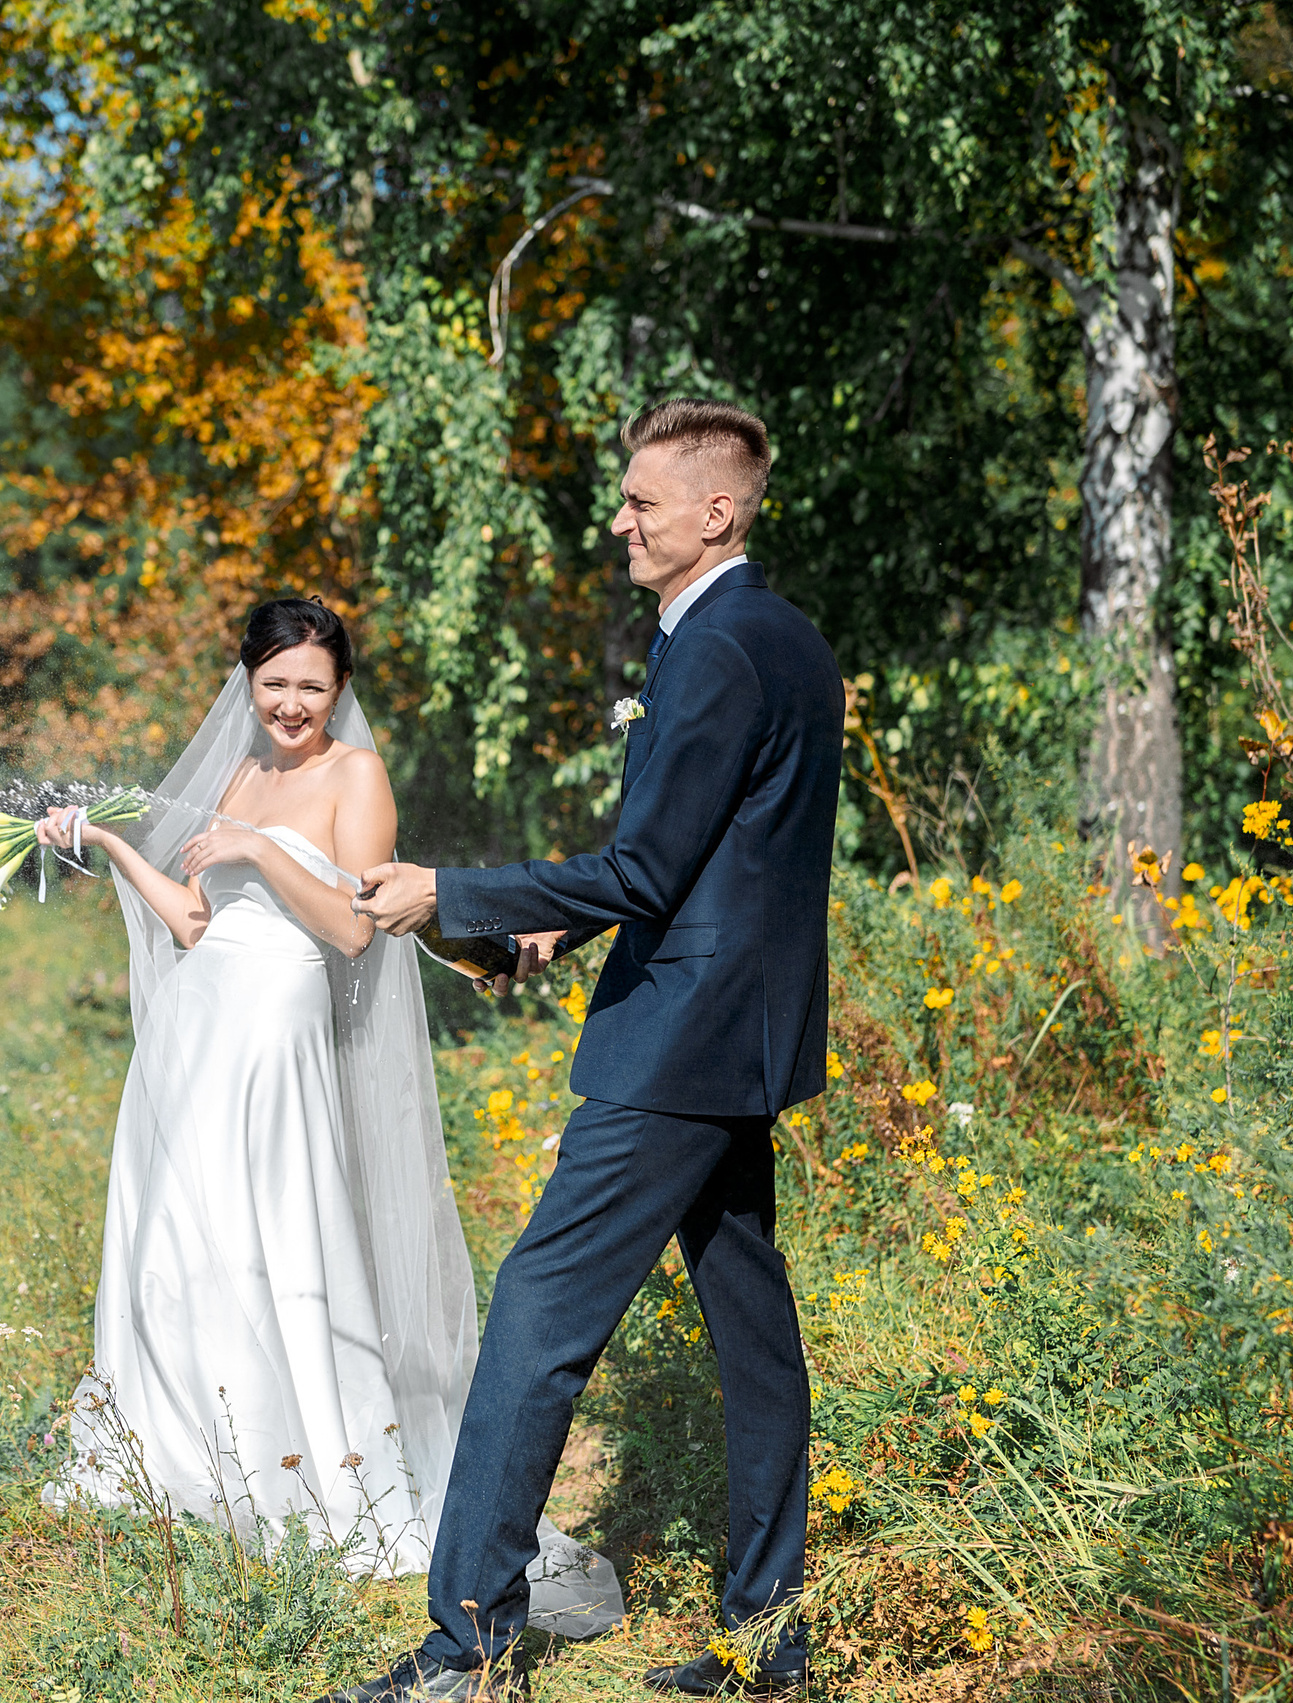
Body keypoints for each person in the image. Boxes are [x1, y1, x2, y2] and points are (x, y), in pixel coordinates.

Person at [342, 399, 843, 1699]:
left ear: (716, 510)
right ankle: (765, 1640)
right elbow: (722, 857)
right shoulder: (781, 637)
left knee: (534, 1322)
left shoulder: (717, 646)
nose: (619, 518)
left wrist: (452, 893)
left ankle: (468, 1649)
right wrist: (561, 925)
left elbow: (646, 861)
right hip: (746, 1030)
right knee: (755, 1339)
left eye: (642, 500)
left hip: (675, 1045)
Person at [35, 601, 623, 1630]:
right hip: (198, 1023)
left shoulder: (355, 776)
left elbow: (355, 928)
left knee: (275, 1234)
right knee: (180, 1236)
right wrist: (106, 846)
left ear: (338, 688)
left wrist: (263, 854)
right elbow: (187, 918)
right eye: (274, 682)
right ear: (246, 681)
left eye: (311, 684)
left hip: (277, 1024)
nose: (292, 702)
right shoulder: (237, 774)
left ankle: (308, 1466)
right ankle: (187, 1461)